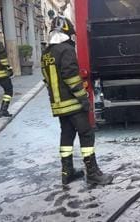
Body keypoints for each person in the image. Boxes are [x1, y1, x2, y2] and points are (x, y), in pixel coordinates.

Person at [41, 16, 113, 185]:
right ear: (66, 32)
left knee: (66, 135)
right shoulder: (66, 50)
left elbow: (46, 79)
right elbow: (71, 76)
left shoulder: (46, 53)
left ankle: (67, 172)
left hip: (58, 105)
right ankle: (93, 173)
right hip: (72, 103)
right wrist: (83, 97)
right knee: (86, 134)